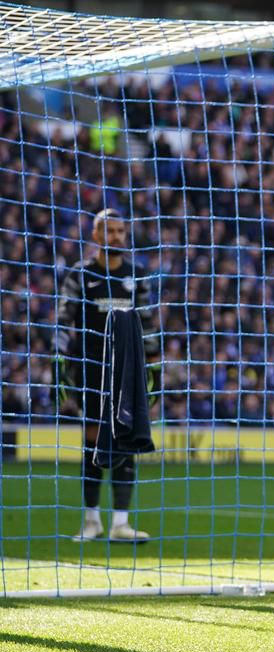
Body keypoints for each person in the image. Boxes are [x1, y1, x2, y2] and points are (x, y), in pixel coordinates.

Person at [54, 209, 158, 543]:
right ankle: (91, 521)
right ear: (96, 235)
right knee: (93, 439)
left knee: (128, 438)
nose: (116, 237)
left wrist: (154, 368)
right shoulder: (80, 275)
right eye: (109, 231)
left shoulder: (135, 275)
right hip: (89, 369)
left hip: (127, 373)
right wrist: (59, 366)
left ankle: (121, 524)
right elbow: (62, 320)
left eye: (120, 231)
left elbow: (149, 324)